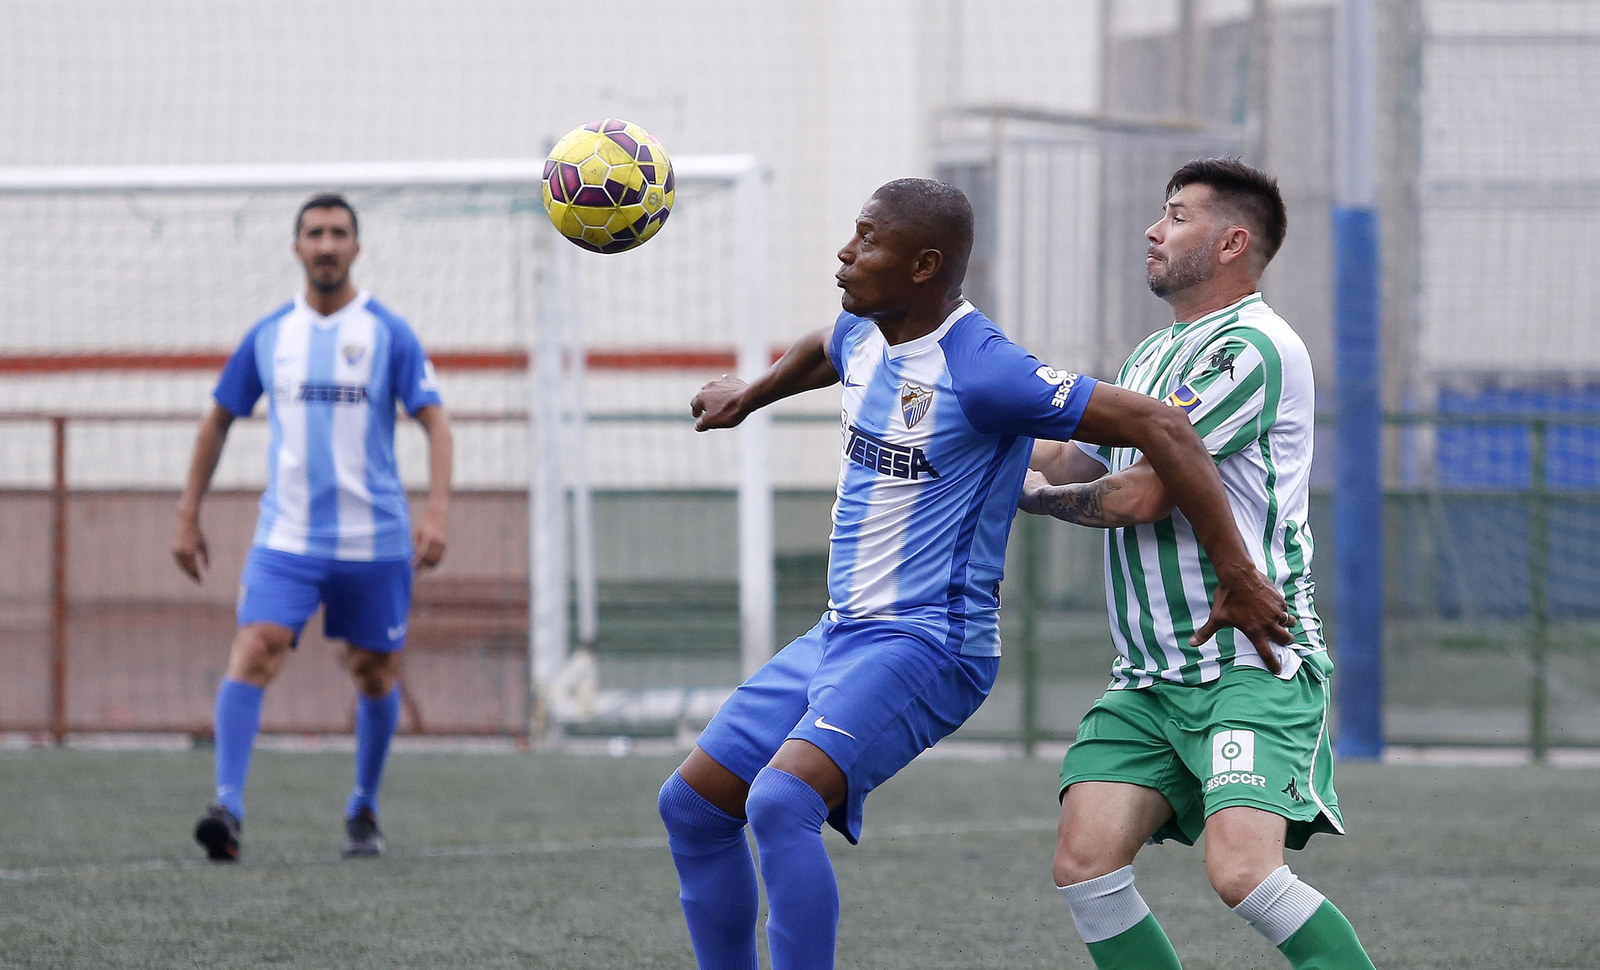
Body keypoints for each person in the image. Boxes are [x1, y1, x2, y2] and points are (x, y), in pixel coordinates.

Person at [660, 177, 1292, 970]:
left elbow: (1158, 422)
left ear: (924, 265)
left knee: (781, 802)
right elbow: (822, 348)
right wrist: (750, 395)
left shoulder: (985, 370)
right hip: (842, 633)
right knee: (690, 806)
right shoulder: (864, 331)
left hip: (933, 644)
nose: (845, 253)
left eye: (867, 240)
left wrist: (1235, 567)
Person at [1022, 159, 1377, 969]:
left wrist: (1027, 496)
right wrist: (956, 441)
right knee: (1084, 864)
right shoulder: (1155, 352)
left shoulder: (1251, 347)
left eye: (1177, 216)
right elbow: (1078, 457)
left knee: (1243, 872)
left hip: (1246, 661)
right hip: (1149, 677)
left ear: (1231, 242)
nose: (1155, 229)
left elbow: (1145, 494)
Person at [172, 194, 453, 862]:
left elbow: (435, 420)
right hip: (287, 539)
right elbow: (218, 419)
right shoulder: (270, 336)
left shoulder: (388, 332)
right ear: (296, 247)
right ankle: (227, 809)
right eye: (314, 233)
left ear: (357, 247)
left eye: (338, 233)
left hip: (375, 541)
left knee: (374, 672)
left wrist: (437, 511)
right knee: (255, 646)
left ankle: (363, 807)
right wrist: (187, 514)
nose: (326, 245)